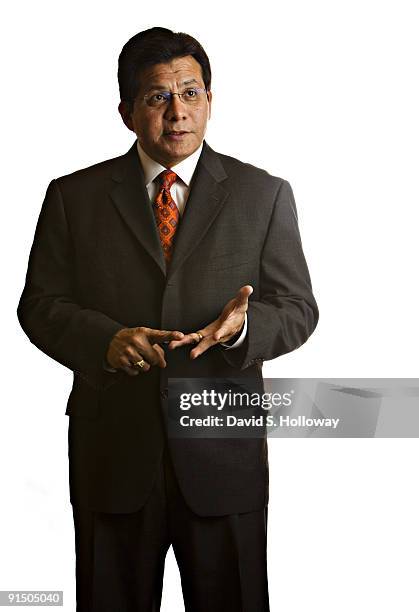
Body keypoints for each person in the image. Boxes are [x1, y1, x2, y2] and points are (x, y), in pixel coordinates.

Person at [17, 26, 319, 612]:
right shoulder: (72, 198)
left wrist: (245, 329)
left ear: (210, 100)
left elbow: (299, 308)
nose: (178, 112)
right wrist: (105, 340)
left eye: (192, 93)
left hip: (222, 454)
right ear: (127, 111)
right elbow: (40, 305)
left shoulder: (264, 194)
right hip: (113, 454)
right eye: (158, 97)